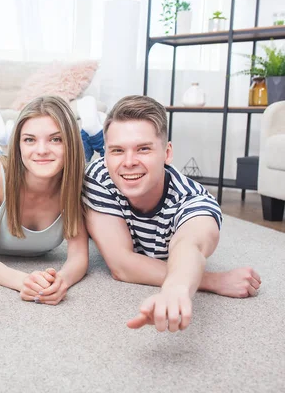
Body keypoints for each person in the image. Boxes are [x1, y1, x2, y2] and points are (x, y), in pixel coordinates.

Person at [83, 95, 262, 332]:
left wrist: (177, 288)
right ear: (106, 155)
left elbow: (190, 245)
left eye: (143, 149)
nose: (128, 162)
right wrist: (213, 280)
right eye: (117, 151)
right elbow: (121, 265)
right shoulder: (99, 177)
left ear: (167, 153)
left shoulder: (193, 201)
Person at [0, 96, 89, 306]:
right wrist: (25, 281)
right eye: (29, 140)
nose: (42, 150)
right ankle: (0, 140)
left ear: (70, 143)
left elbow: (78, 256)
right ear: (18, 145)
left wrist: (61, 281)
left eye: (55, 139)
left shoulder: (76, 182)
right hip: (4, 171)